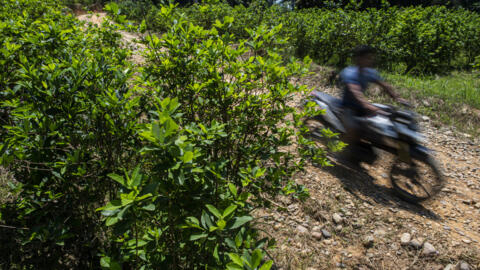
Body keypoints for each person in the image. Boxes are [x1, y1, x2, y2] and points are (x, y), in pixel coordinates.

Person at [339, 45, 406, 161]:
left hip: (361, 108)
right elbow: (356, 92)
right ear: (359, 58)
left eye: (371, 57)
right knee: (353, 129)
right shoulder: (350, 72)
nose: (370, 60)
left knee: (379, 126)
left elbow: (384, 85)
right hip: (348, 108)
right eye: (367, 58)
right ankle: (339, 151)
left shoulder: (369, 72)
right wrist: (368, 106)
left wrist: (397, 98)